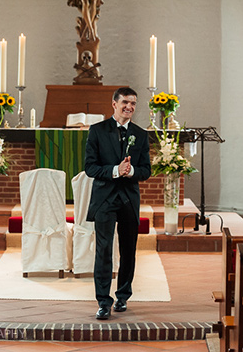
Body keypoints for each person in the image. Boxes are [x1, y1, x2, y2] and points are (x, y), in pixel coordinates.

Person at [84, 87, 151, 320]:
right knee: (103, 251)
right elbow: (90, 167)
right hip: (104, 199)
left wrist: (131, 170)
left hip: (129, 200)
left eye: (133, 103)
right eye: (125, 102)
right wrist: (115, 170)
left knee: (128, 250)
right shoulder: (97, 131)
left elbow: (146, 171)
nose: (129, 107)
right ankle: (103, 301)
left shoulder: (141, 134)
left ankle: (123, 296)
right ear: (114, 104)